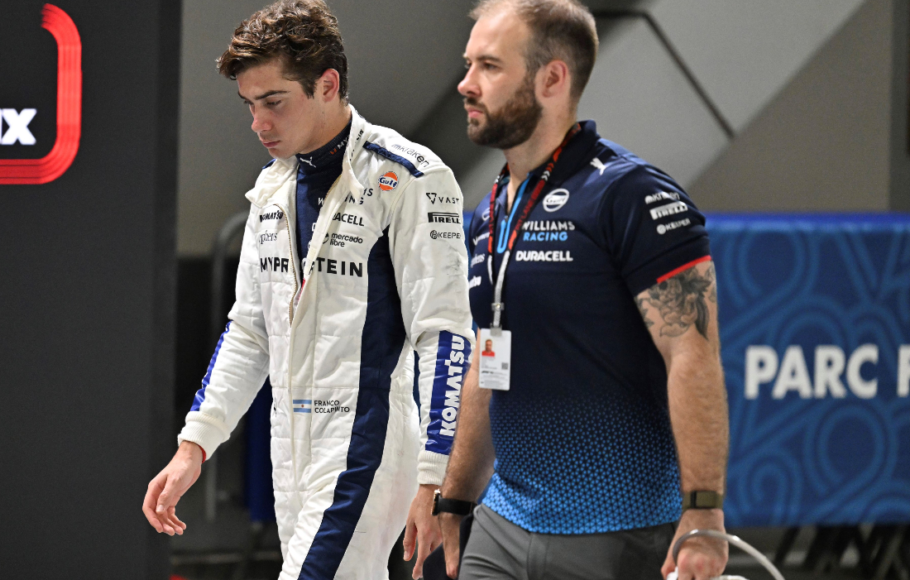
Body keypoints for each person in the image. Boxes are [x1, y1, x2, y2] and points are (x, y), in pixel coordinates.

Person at [141, 2, 475, 579]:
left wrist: (436, 474)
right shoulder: (272, 188)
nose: (258, 123)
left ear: (328, 85)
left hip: (365, 445)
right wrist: (194, 445)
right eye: (249, 105)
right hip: (289, 447)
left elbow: (444, 333)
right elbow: (249, 331)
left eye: (273, 102)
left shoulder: (410, 176)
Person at [428, 1, 730, 579]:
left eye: (489, 66)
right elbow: (488, 363)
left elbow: (691, 354)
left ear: (552, 79)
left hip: (617, 526)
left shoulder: (632, 196)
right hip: (502, 521)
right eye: (469, 65)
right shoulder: (492, 212)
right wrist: (457, 498)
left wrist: (704, 510)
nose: (466, 84)